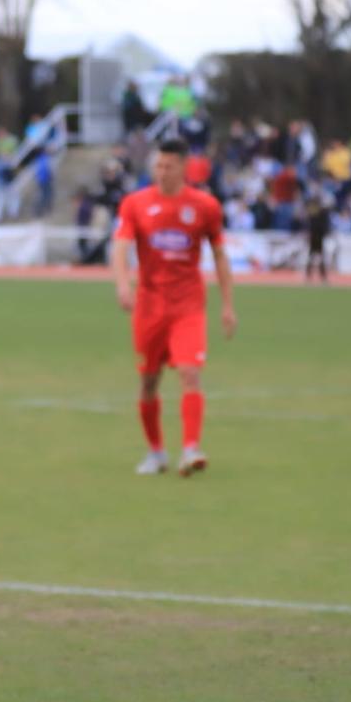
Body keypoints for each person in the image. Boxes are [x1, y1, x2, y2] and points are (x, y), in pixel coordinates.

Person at [111, 137, 237, 477]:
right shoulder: (135, 204)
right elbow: (121, 246)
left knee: (189, 373)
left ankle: (191, 449)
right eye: (158, 165)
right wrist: (123, 284)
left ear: (183, 167)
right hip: (149, 306)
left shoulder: (205, 206)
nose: (162, 171)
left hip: (188, 305)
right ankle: (156, 453)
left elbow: (221, 257)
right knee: (148, 383)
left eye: (168, 165)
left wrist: (228, 305)